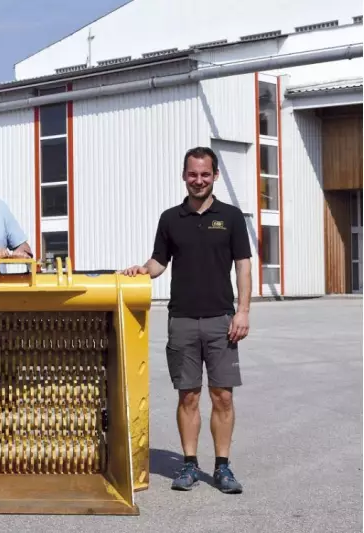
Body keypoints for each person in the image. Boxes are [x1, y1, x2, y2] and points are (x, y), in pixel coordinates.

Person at [122, 146, 251, 494]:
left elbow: (243, 265)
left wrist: (243, 310)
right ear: (184, 175)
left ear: (215, 176)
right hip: (180, 319)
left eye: (205, 174)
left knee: (223, 396)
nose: (198, 180)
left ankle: (222, 467)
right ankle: (189, 465)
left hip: (221, 320)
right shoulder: (170, 218)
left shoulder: (232, 217)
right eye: (192, 174)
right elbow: (158, 263)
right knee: (188, 396)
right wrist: (140, 271)